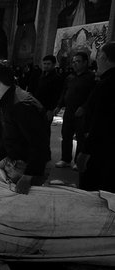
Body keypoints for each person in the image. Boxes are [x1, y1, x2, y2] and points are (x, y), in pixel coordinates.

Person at [0, 62, 50, 194]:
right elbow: (11, 134)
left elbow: (40, 145)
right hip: (15, 158)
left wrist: (27, 178)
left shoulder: (21, 106)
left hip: (26, 166)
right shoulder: (9, 97)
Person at [76, 41, 115, 192]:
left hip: (102, 151)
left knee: (94, 190)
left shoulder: (106, 85)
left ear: (104, 57)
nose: (96, 61)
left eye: (98, 56)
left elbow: (100, 123)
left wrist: (85, 152)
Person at [52, 51, 95, 168]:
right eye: (74, 62)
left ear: (85, 63)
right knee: (66, 135)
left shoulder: (91, 77)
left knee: (80, 137)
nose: (75, 64)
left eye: (78, 61)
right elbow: (64, 92)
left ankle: (77, 161)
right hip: (69, 111)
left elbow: (92, 96)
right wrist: (59, 105)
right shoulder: (70, 77)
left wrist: (84, 107)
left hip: (81, 112)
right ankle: (65, 159)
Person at [31, 55, 64, 127]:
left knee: (44, 129)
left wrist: (51, 110)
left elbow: (56, 95)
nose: (46, 66)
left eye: (48, 64)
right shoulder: (42, 75)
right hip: (37, 106)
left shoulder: (57, 78)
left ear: (54, 64)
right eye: (44, 64)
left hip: (47, 108)